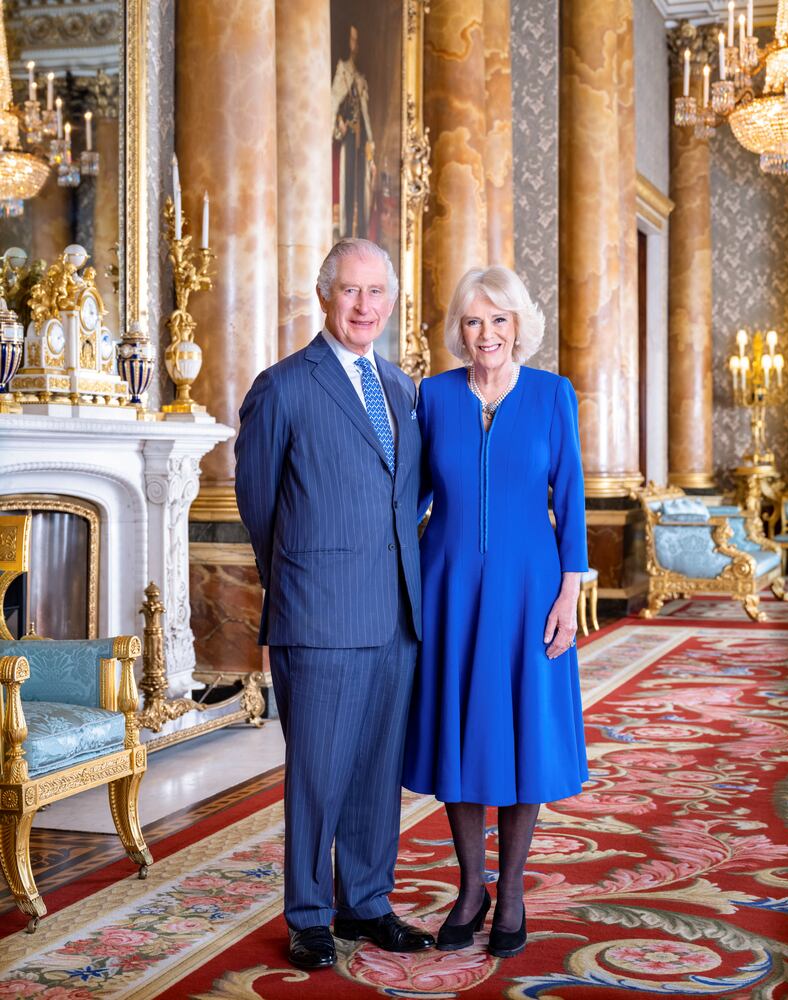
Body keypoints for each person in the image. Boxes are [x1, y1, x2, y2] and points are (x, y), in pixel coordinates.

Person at [235, 239, 434, 971]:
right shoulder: (283, 386)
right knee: (317, 774)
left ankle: (369, 902)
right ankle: (311, 916)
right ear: (325, 295)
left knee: (379, 771)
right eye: (350, 291)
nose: (363, 306)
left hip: (396, 616)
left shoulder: (401, 387)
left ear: (390, 299)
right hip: (317, 616)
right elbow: (259, 508)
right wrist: (301, 582)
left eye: (376, 292)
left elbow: (406, 496)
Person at [402, 266, 589, 960]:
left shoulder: (551, 395)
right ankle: (470, 886)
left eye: (500, 320)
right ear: (461, 329)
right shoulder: (434, 397)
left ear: (519, 326)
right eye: (475, 322)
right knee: (460, 730)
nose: (488, 335)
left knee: (523, 733)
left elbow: (568, 499)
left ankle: (510, 891)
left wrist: (569, 595)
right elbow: (411, 499)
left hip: (531, 588)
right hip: (447, 584)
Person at [332, 24, 375, 239]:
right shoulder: (342, 71)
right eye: (352, 39)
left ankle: (358, 234)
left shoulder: (360, 78)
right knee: (346, 186)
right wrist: (339, 123)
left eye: (357, 40)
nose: (355, 45)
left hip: (359, 141)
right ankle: (346, 232)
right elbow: (333, 106)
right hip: (346, 141)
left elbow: (365, 117)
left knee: (360, 188)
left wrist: (370, 147)